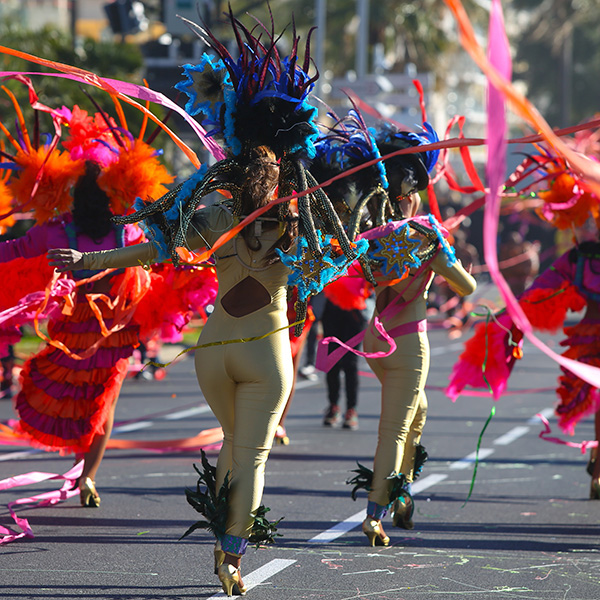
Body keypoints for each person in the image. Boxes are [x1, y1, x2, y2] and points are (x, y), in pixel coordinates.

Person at [0, 161, 148, 507]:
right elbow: (152, 258)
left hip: (71, 328)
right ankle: (87, 476)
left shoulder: (55, 231)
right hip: (114, 331)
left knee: (79, 398)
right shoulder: (127, 233)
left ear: (75, 198)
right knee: (104, 401)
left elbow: (13, 250)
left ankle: (83, 471)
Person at [358, 191, 476, 545]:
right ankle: (375, 515)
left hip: (374, 339)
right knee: (394, 430)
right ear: (410, 197)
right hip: (407, 344)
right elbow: (466, 287)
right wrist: (451, 262)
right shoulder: (426, 239)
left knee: (417, 410)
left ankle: (402, 490)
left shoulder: (372, 234)